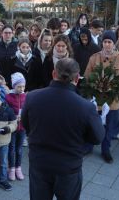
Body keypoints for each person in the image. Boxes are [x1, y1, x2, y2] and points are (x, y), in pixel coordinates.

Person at [22, 58, 105, 200]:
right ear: (77, 78)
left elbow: (26, 125)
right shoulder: (86, 107)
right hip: (68, 167)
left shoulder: (32, 97)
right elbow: (97, 138)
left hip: (40, 163)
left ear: (54, 74)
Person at [85, 30, 119, 163]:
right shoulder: (94, 58)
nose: (107, 45)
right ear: (102, 43)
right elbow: (87, 76)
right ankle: (89, 146)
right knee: (93, 124)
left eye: (109, 42)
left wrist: (113, 85)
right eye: (105, 42)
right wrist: (95, 84)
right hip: (96, 99)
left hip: (112, 100)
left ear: (114, 43)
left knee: (109, 127)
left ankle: (106, 149)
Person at [5, 73, 27, 181]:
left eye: (23, 86)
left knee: (19, 149)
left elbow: (28, 110)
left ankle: (18, 167)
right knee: (12, 149)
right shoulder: (8, 97)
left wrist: (25, 116)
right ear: (14, 86)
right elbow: (6, 111)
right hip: (12, 127)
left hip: (22, 128)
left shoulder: (25, 96)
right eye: (19, 86)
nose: (21, 89)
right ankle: (11, 168)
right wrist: (14, 117)